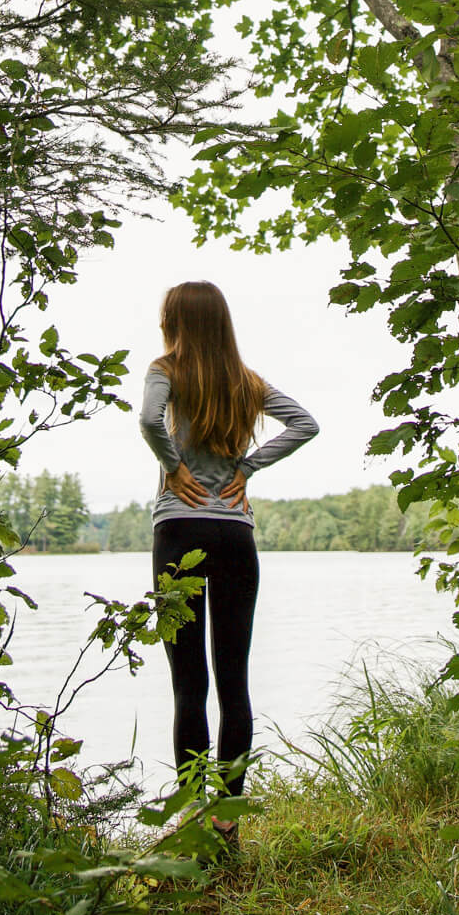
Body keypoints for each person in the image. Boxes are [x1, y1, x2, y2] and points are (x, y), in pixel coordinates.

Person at [139, 281, 319, 839]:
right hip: (236, 534)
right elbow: (305, 424)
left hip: (178, 528)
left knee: (187, 685)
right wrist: (247, 470)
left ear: (175, 320)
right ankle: (227, 819)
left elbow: (148, 421)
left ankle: (193, 815)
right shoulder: (247, 381)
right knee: (234, 680)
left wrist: (173, 467)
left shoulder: (165, 368)